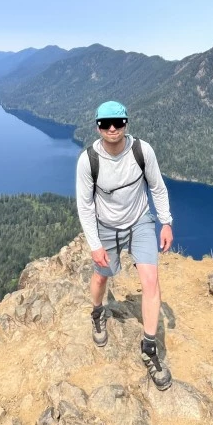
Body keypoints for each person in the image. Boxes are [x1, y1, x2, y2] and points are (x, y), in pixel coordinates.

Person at [75, 100, 175, 391]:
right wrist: (95, 244)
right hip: (105, 227)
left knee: (151, 281)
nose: (112, 128)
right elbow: (84, 206)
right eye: (105, 123)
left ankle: (149, 348)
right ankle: (97, 312)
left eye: (117, 123)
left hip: (140, 222)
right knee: (101, 277)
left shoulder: (142, 151)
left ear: (126, 124)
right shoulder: (88, 160)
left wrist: (165, 221)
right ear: (97, 126)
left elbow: (157, 186)